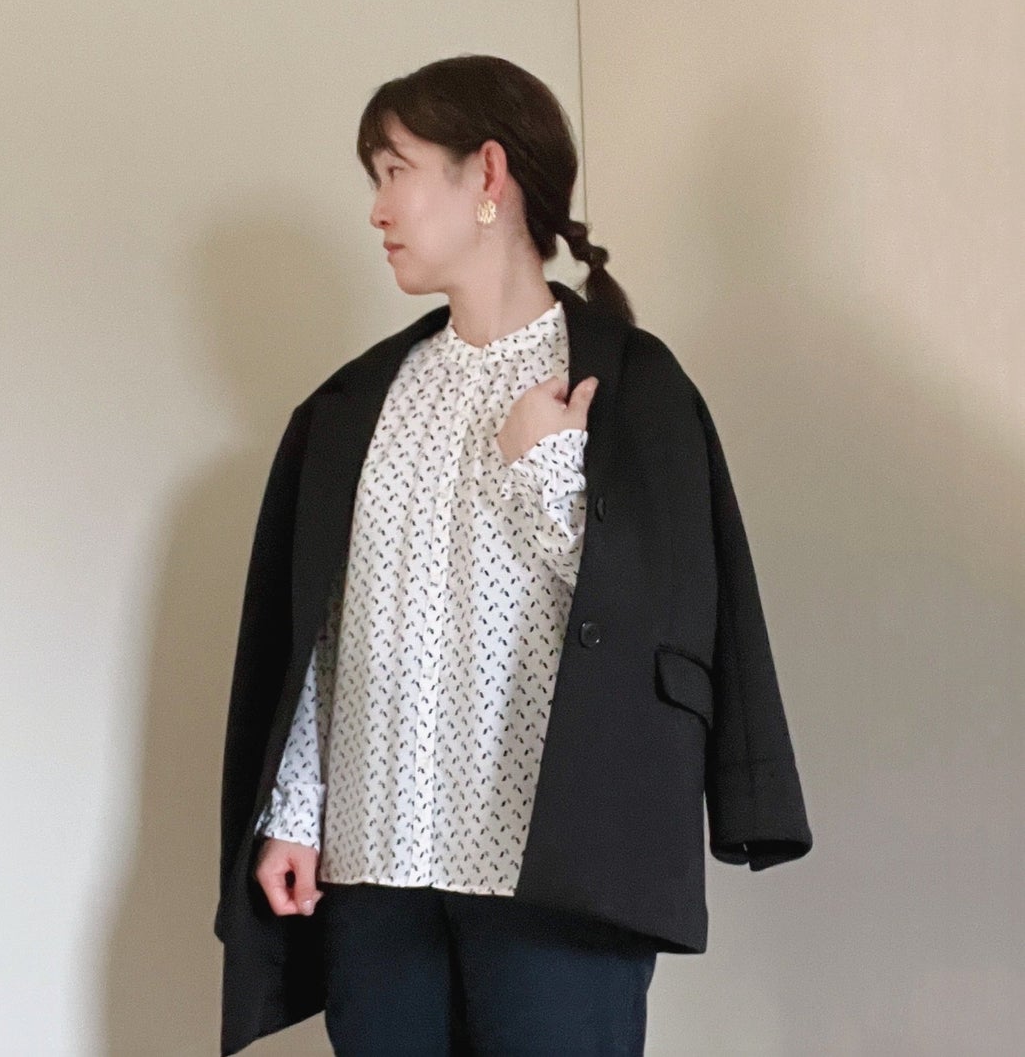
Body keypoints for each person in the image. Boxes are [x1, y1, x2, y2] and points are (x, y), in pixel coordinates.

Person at [215, 54, 812, 1056]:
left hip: (554, 875)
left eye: (394, 170)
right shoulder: (358, 402)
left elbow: (663, 620)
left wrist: (545, 470)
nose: (376, 208)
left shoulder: (630, 384)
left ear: (487, 174)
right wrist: (295, 808)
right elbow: (324, 626)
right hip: (378, 866)